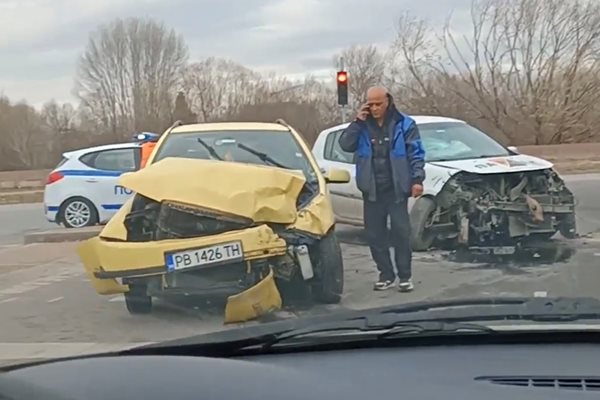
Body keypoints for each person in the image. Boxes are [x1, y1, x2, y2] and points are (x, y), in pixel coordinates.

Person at [338, 87, 425, 292]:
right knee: (375, 235)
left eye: (379, 103)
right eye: (371, 104)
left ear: (388, 101)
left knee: (401, 232)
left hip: (396, 188)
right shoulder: (362, 126)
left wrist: (417, 179)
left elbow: (416, 153)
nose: (375, 108)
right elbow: (345, 144)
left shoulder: (404, 124)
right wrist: (357, 122)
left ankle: (405, 276)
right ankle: (386, 274)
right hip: (372, 189)